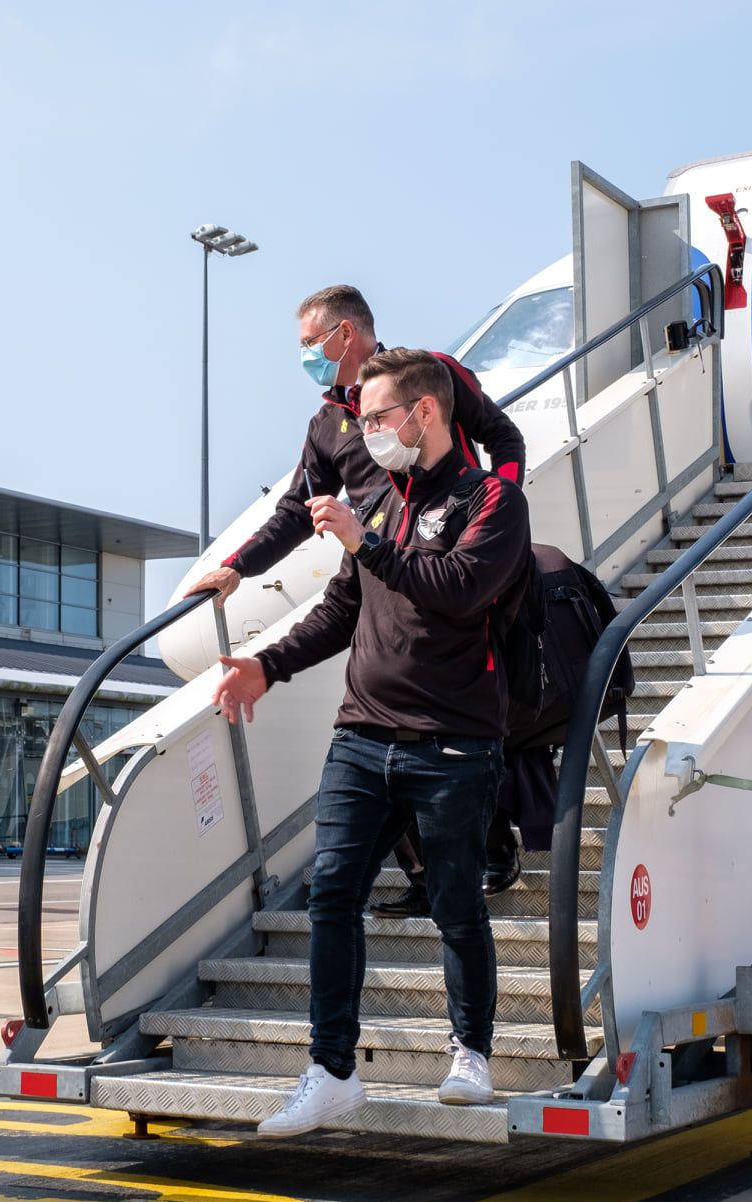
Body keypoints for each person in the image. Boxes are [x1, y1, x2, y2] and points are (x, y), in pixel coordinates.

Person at [212, 349, 531, 1136]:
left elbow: (459, 591)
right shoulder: (382, 505)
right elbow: (341, 608)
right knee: (331, 896)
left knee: (456, 903)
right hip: (361, 736)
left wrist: (365, 543)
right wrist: (266, 665)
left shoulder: (492, 499)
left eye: (379, 417)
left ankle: (470, 1052)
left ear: (424, 412)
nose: (366, 431)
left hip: (453, 743)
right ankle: (331, 1071)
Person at [187, 284, 528, 912]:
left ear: (345, 334)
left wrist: (500, 511)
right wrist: (237, 568)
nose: (304, 356)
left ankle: (493, 842)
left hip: (452, 564)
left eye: (309, 343)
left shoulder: (428, 377)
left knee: (469, 705)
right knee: (382, 717)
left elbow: (504, 437)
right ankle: (423, 878)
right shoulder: (326, 424)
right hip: (377, 569)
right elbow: (298, 510)